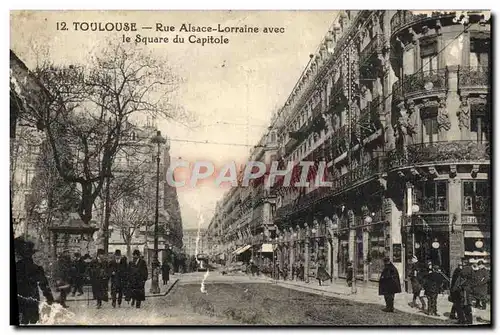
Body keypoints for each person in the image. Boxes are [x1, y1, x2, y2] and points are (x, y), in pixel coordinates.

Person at [15, 237, 54, 325]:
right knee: (33, 320)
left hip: (19, 297)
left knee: (22, 320)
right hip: (32, 297)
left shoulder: (17, 266)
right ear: (32, 255)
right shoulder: (36, 268)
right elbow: (44, 284)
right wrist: (49, 298)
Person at [452, 258, 474, 324]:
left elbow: (462, 278)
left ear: (464, 262)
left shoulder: (466, 269)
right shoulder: (470, 269)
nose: (461, 263)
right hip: (464, 290)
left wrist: (456, 288)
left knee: (462, 306)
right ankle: (467, 320)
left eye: (462, 262)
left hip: (463, 291)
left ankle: (463, 320)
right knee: (465, 306)